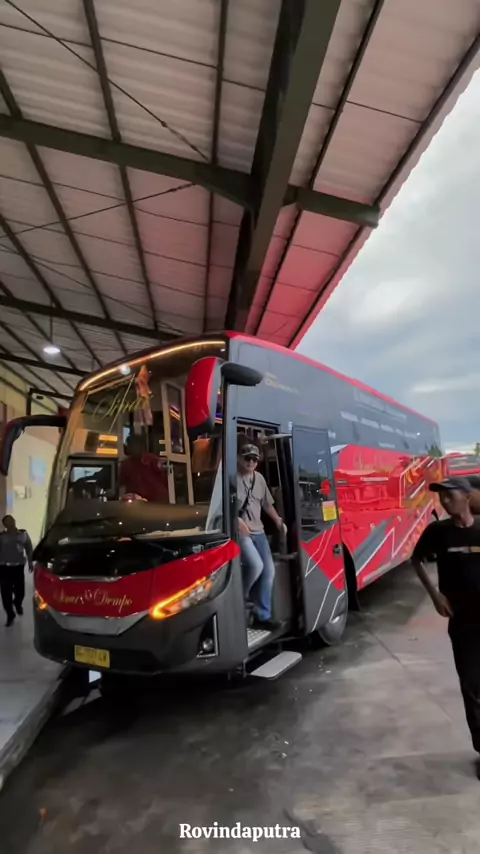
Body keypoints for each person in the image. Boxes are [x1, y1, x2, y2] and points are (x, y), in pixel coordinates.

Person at [411, 477, 480, 776]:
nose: (444, 501)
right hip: (463, 622)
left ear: (467, 497)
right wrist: (435, 595)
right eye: (441, 497)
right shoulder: (438, 532)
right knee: (472, 686)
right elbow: (416, 560)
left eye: (450, 496)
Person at [237, 440, 286, 631]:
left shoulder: (259, 479)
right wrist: (237, 521)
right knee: (255, 565)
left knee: (268, 571)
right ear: (239, 458)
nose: (250, 462)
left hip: (259, 531)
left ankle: (262, 615)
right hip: (241, 532)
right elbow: (222, 508)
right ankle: (239, 598)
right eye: (247, 458)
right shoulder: (231, 478)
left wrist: (278, 521)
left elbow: (267, 504)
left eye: (254, 459)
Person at [0, 515, 34, 627]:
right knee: (6, 594)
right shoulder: (2, 537)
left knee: (20, 592)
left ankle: (17, 603)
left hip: (18, 567)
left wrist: (30, 562)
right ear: (4, 525)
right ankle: (10, 614)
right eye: (7, 522)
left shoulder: (23, 534)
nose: (9, 524)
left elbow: (29, 548)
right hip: (4, 568)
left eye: (11, 521)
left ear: (14, 521)